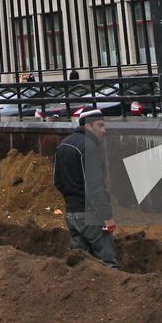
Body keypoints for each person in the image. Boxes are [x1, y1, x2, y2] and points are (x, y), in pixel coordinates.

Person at [53, 109, 118, 269]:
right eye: (100, 125)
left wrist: (72, 200)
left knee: (81, 265)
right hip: (90, 215)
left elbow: (57, 181)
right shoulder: (89, 147)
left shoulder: (64, 144)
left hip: (71, 215)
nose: (104, 130)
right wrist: (107, 216)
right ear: (88, 126)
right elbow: (94, 187)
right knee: (108, 262)